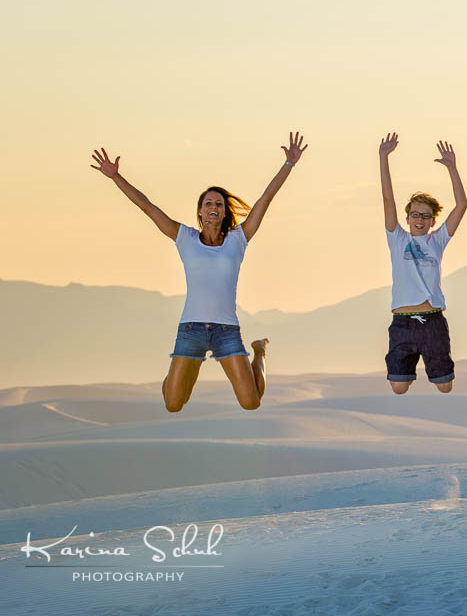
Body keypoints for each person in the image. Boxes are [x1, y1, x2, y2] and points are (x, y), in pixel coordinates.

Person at [90, 132, 308, 411]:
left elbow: (265, 199)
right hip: (191, 330)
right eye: (208, 204)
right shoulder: (185, 238)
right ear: (201, 213)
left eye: (218, 204)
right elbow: (147, 207)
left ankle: (260, 350)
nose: (214, 207)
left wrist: (288, 164)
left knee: (251, 402)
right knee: (173, 404)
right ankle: (180, 372)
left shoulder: (237, 240)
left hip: (227, 331)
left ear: (225, 212)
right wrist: (115, 177)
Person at [379, 133, 467, 394]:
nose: (420, 219)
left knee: (445, 387)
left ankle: (431, 362)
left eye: (426, 216)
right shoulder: (397, 238)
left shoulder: (437, 241)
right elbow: (387, 199)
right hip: (402, 323)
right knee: (398, 387)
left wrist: (452, 167)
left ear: (432, 221)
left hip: (432, 322)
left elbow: (462, 205)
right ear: (407, 218)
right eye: (415, 214)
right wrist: (383, 157)